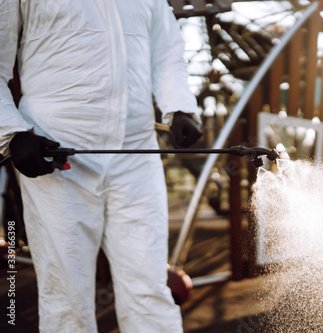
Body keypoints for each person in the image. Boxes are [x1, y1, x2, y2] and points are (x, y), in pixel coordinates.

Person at [0, 1, 202, 332]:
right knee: (66, 296)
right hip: (56, 153)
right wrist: (11, 133)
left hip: (136, 152)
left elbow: (167, 50)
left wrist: (178, 104)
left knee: (149, 286)